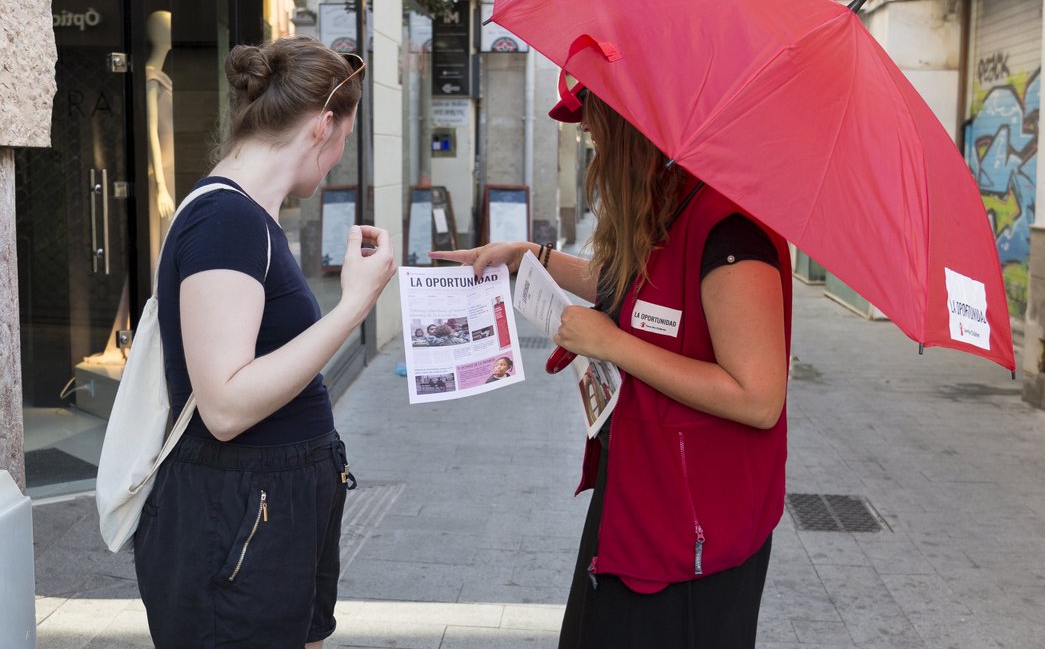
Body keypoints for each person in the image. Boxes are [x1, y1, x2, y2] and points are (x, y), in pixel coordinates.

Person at [432, 89, 792, 648]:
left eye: (596, 132)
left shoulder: (731, 235)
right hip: (637, 498)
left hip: (694, 531)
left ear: (635, 136)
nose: (593, 149)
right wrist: (531, 257)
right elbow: (630, 286)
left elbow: (758, 397)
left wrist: (615, 344)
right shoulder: (671, 201)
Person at [133, 35, 397, 649]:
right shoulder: (226, 219)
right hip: (238, 514)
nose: (334, 160)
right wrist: (354, 305)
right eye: (341, 143)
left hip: (264, 507)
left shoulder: (250, 214)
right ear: (321, 127)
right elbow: (224, 407)